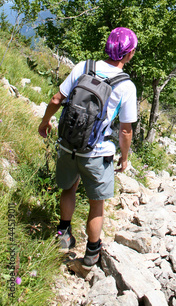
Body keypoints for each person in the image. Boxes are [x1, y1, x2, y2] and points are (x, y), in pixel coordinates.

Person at [38, 27, 138, 266]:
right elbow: (125, 130)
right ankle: (92, 252)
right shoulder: (126, 85)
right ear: (129, 53)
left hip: (68, 144)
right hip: (96, 152)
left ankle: (63, 234)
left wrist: (45, 122)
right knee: (97, 203)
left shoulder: (84, 66)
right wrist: (124, 158)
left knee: (68, 189)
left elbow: (56, 99)